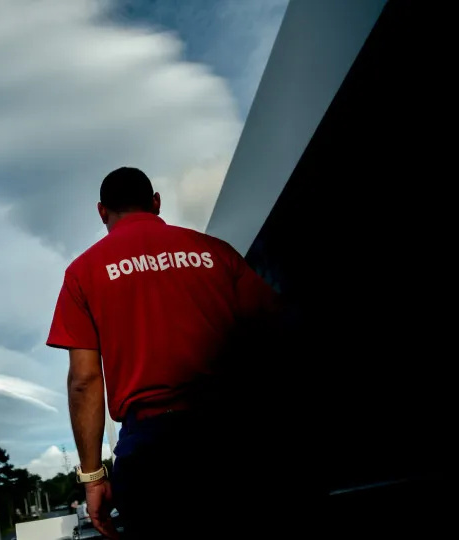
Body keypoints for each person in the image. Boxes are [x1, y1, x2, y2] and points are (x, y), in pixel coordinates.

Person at [46, 167, 285, 539]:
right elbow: (276, 335)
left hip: (151, 451)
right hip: (232, 436)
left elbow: (84, 380)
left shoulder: (83, 272)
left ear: (101, 211)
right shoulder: (215, 252)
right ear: (156, 202)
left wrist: (93, 478)